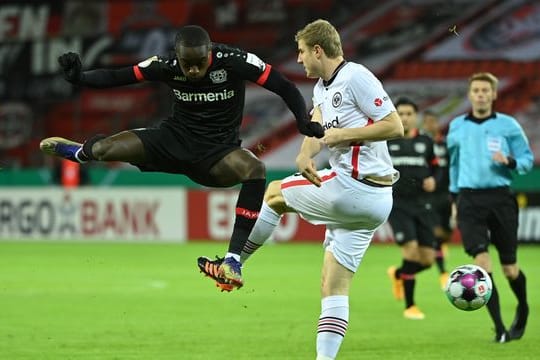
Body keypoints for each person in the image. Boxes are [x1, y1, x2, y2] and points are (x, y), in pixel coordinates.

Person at [40, 25, 324, 290]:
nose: (193, 69)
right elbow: (119, 76)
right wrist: (80, 78)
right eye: (186, 63)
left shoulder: (235, 60)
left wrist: (301, 119)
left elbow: (284, 86)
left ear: (209, 52)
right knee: (102, 150)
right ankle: (79, 153)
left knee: (254, 168)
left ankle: (232, 261)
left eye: (199, 62)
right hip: (173, 141)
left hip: (217, 153)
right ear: (177, 56)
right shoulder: (166, 65)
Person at [202, 19, 403, 359]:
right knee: (333, 288)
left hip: (354, 187)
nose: (298, 60)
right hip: (374, 203)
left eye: (301, 52)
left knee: (272, 193)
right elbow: (316, 131)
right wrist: (304, 154)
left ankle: (234, 262)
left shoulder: (356, 76)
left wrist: (342, 136)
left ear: (318, 50)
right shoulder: (323, 89)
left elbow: (395, 126)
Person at [447, 72, 533, 343]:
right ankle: (500, 329)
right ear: (470, 95)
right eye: (477, 90)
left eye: (486, 90)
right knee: (482, 264)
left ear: (494, 94)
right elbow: (454, 164)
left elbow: (527, 159)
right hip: (469, 200)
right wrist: (453, 200)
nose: (481, 94)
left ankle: (523, 305)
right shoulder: (456, 126)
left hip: (501, 198)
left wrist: (509, 161)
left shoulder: (508, 125)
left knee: (510, 268)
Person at [386, 98, 441, 320]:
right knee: (410, 252)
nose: (405, 117)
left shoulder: (426, 142)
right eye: (401, 114)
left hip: (423, 205)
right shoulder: (386, 141)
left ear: (416, 117)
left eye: (409, 113)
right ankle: (410, 306)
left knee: (427, 260)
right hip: (398, 205)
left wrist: (434, 180)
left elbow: (437, 168)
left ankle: (399, 274)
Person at [422, 109, 451, 289]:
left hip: (445, 193)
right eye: (428, 122)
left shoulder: (445, 144)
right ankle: (442, 271)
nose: (430, 125)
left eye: (433, 121)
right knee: (435, 234)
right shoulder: (422, 144)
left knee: (446, 232)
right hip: (428, 195)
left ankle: (439, 248)